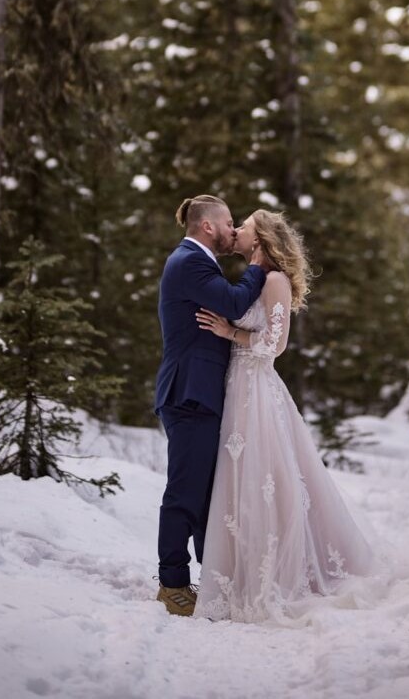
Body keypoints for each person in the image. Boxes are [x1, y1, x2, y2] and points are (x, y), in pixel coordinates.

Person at [192, 210, 376, 623]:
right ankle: (242, 574)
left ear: (259, 239)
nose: (236, 230)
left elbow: (275, 346)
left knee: (266, 480)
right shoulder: (251, 280)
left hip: (257, 389)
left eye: (243, 226)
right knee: (241, 480)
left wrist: (229, 332)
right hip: (236, 385)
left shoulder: (274, 280)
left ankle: (278, 575)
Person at [155, 195, 269, 617]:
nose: (232, 230)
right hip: (189, 393)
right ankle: (172, 585)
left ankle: (213, 578)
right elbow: (235, 303)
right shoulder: (189, 262)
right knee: (185, 493)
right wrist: (258, 264)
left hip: (201, 393)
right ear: (208, 226)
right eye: (228, 223)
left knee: (204, 494)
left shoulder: (197, 263)